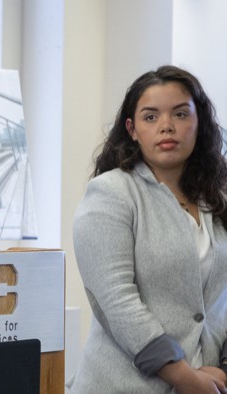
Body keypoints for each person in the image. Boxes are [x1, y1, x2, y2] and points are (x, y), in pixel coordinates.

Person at [70, 65, 227, 393]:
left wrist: (223, 369)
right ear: (132, 128)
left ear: (200, 123)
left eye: (181, 114)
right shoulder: (111, 193)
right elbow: (117, 301)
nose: (167, 127)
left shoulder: (218, 197)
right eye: (151, 117)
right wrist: (187, 378)